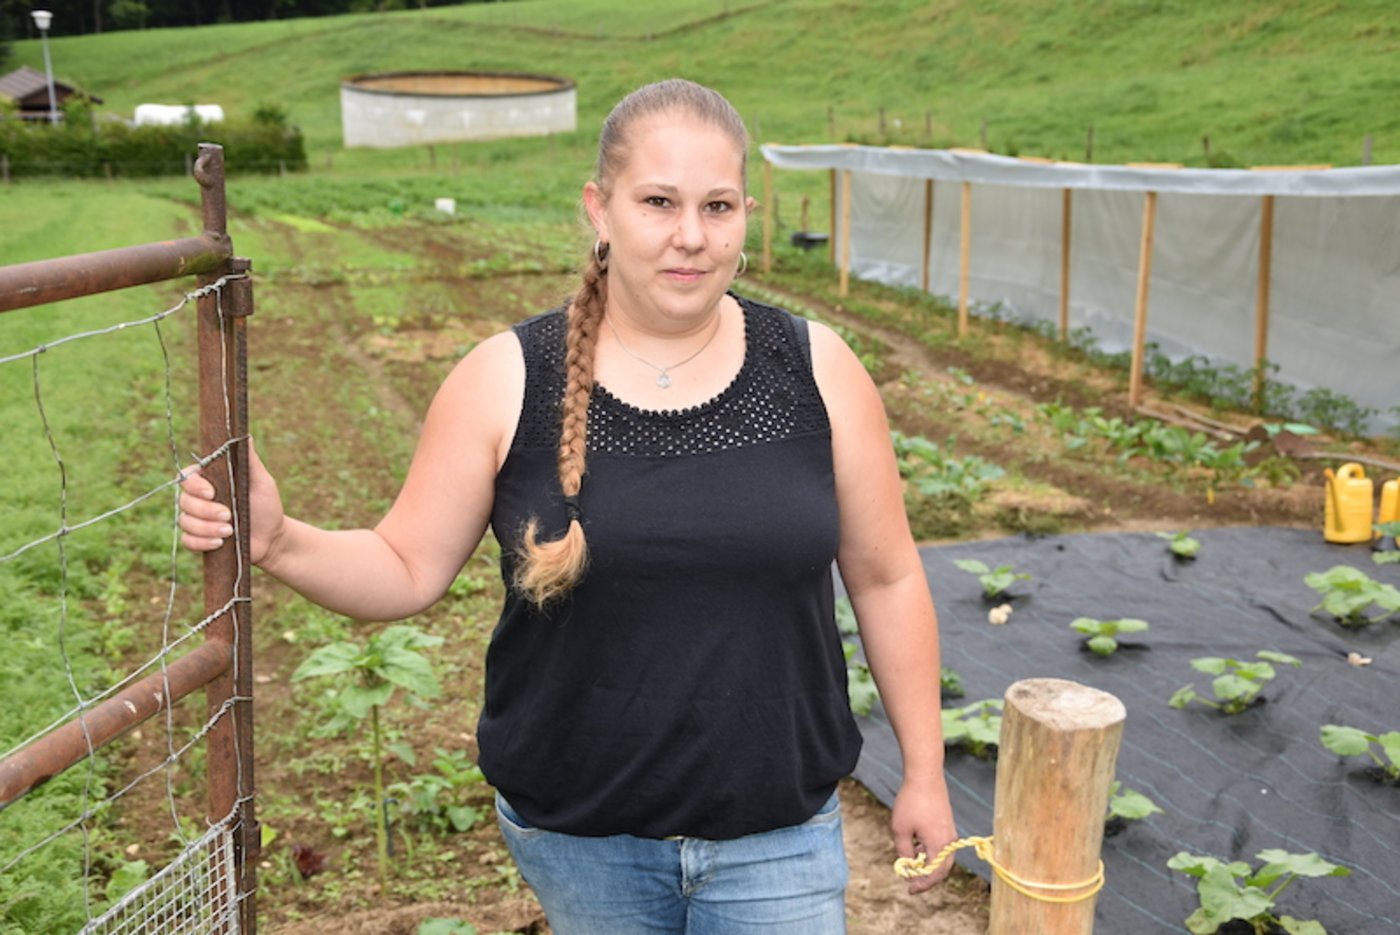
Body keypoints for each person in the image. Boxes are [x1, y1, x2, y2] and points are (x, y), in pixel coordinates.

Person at [180, 77, 955, 934]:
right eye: (658, 201)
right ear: (601, 208)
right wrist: (280, 539)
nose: (690, 236)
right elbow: (405, 566)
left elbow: (886, 578)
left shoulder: (817, 370)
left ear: (747, 214)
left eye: (719, 206)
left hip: (778, 834)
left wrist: (923, 769)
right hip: (582, 841)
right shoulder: (506, 379)